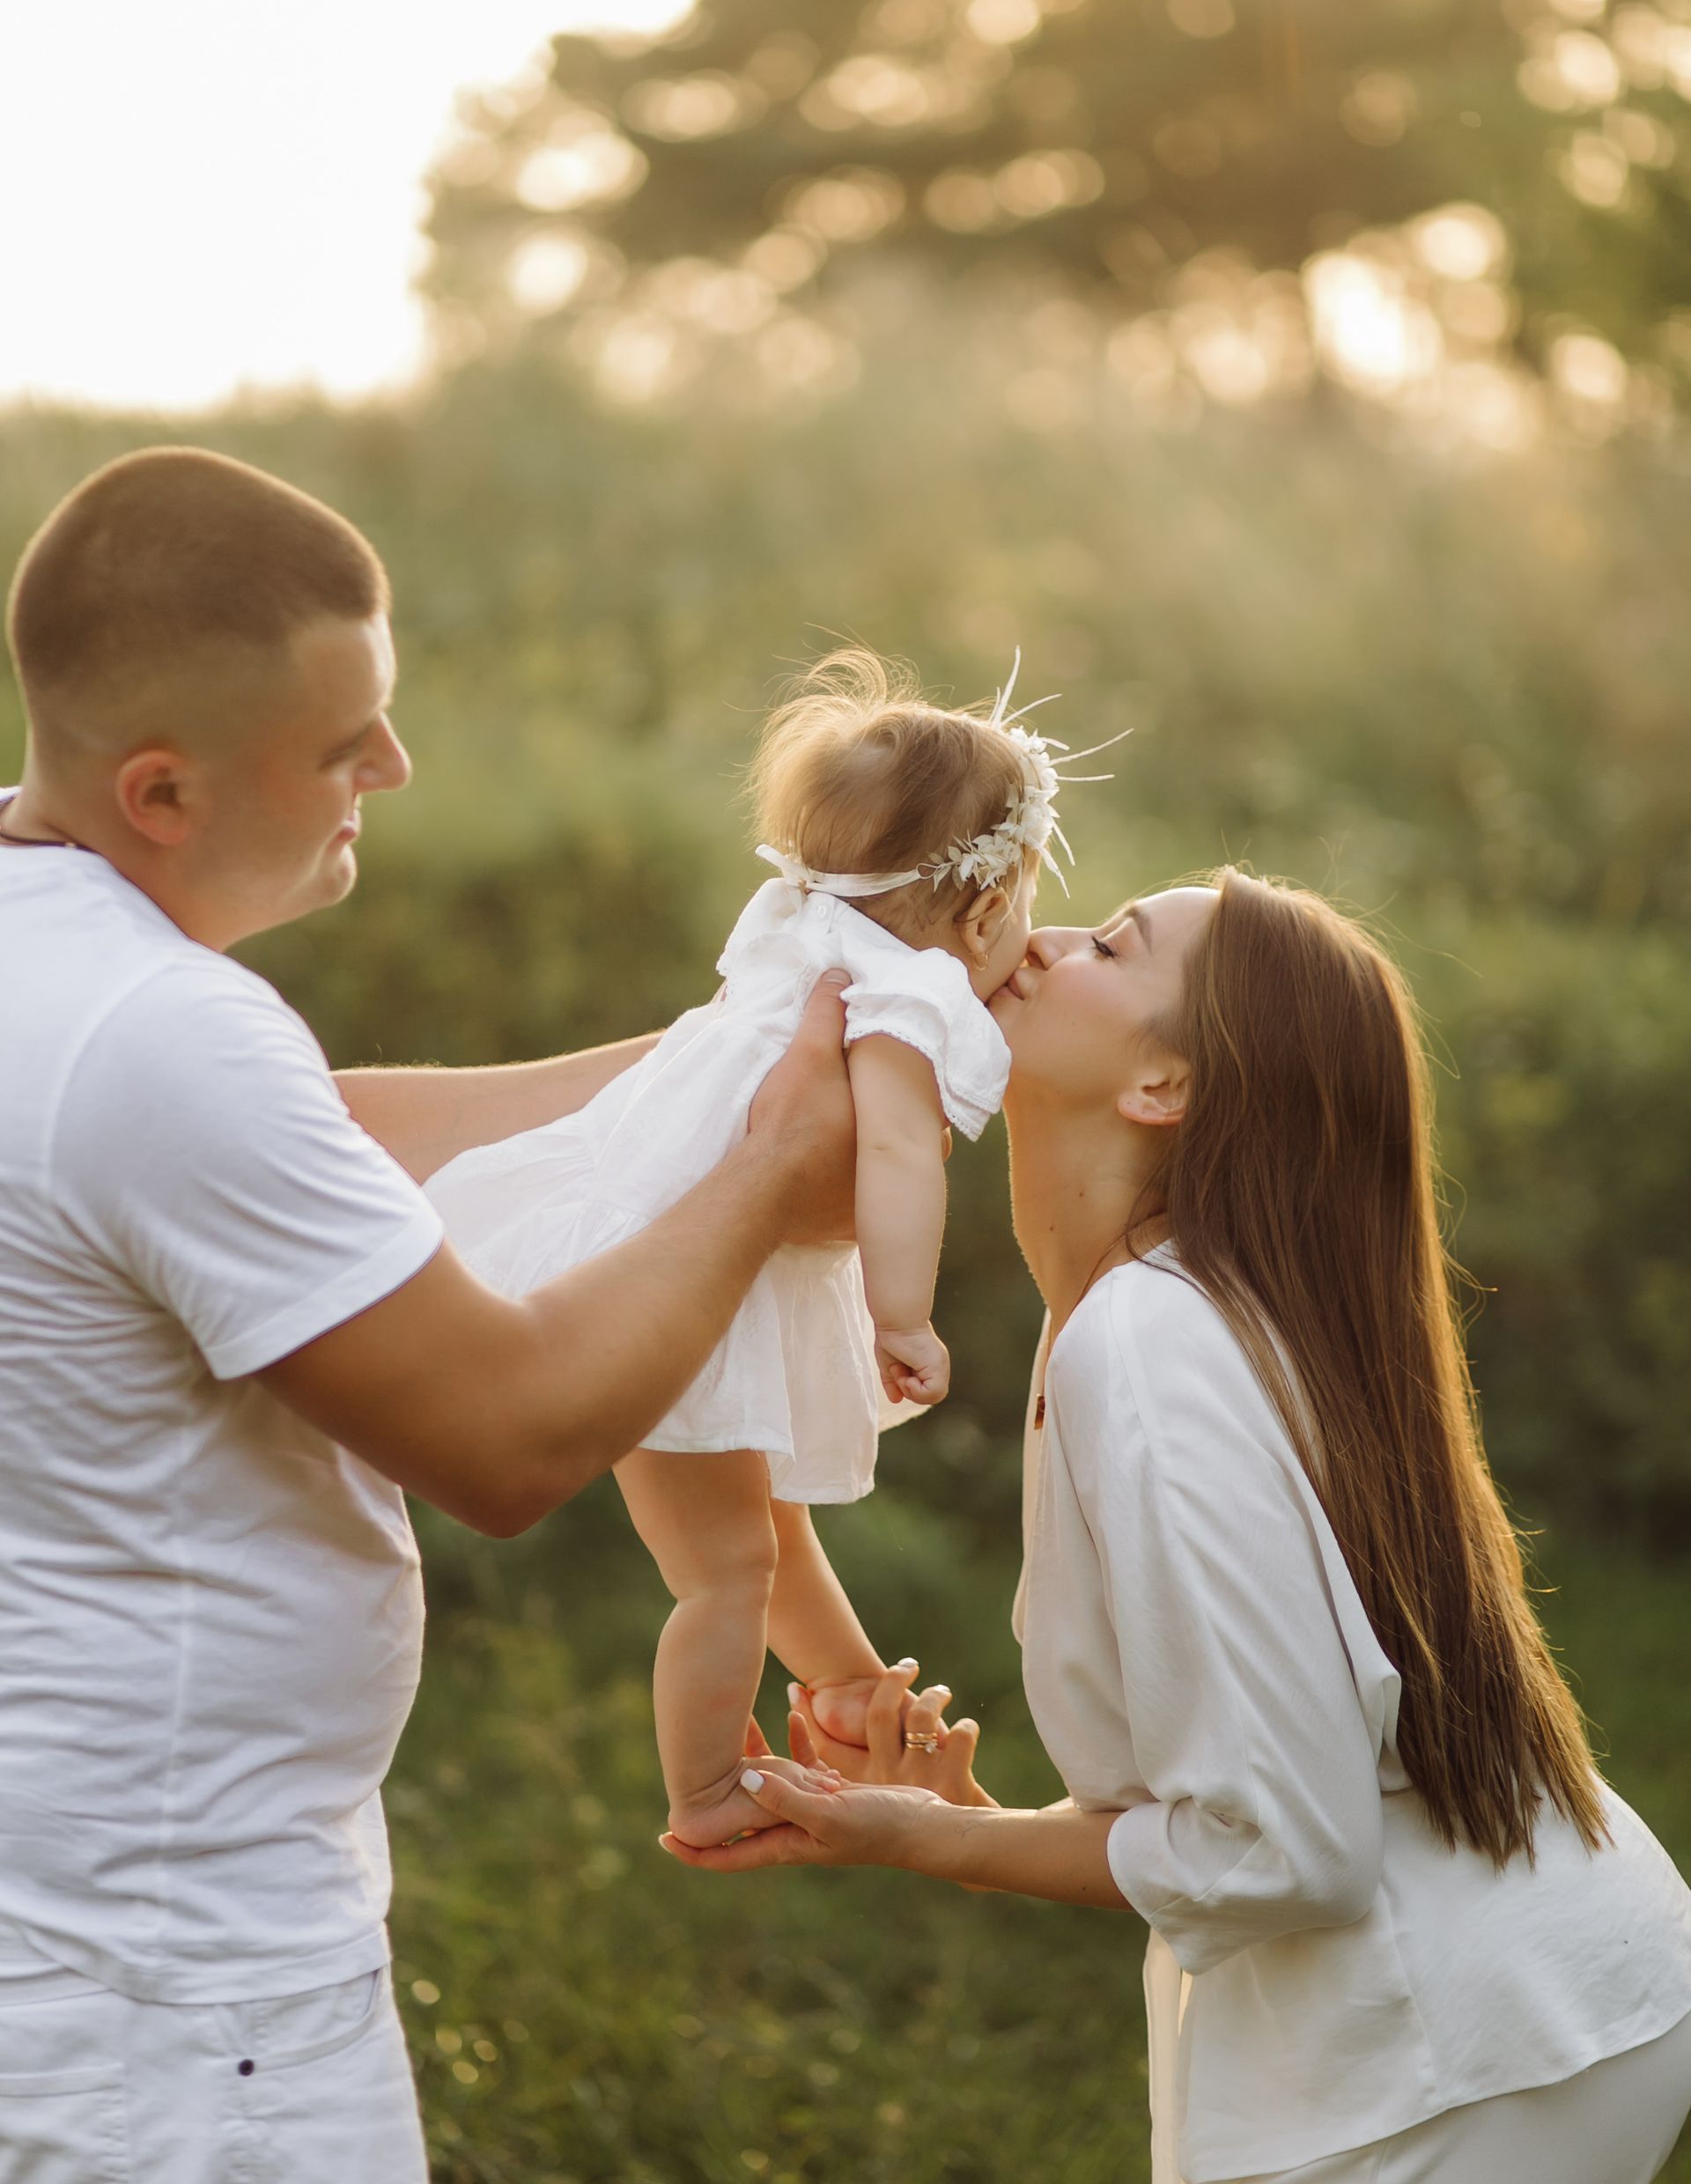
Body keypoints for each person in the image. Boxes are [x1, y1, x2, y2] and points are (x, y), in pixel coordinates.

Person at [0, 446, 855, 2183]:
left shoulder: (59, 956)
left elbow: (321, 1146)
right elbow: (510, 1436)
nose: (392, 767)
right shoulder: (161, 1035)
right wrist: (766, 1176)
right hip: (174, 1998)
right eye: (343, 743)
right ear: (161, 793)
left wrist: (723, 1073)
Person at [670, 870, 1691, 2184]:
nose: (1035, 944)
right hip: (1522, 2005)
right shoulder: (1138, 1312)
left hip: (1477, 2054)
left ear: (1164, 1085)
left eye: (1107, 945)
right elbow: (1248, 1794)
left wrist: (928, 1839)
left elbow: (1288, 1843)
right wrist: (971, 1822)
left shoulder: (1149, 1345)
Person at [427, 649, 1103, 1849]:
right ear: (989, 908)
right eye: (1030, 910)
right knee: (728, 1568)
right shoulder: (912, 995)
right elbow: (894, 1154)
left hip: (634, 1264)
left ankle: (839, 1679)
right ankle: (701, 1792)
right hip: (695, 1298)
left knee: (759, 1531)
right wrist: (902, 1316)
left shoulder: (797, 931)